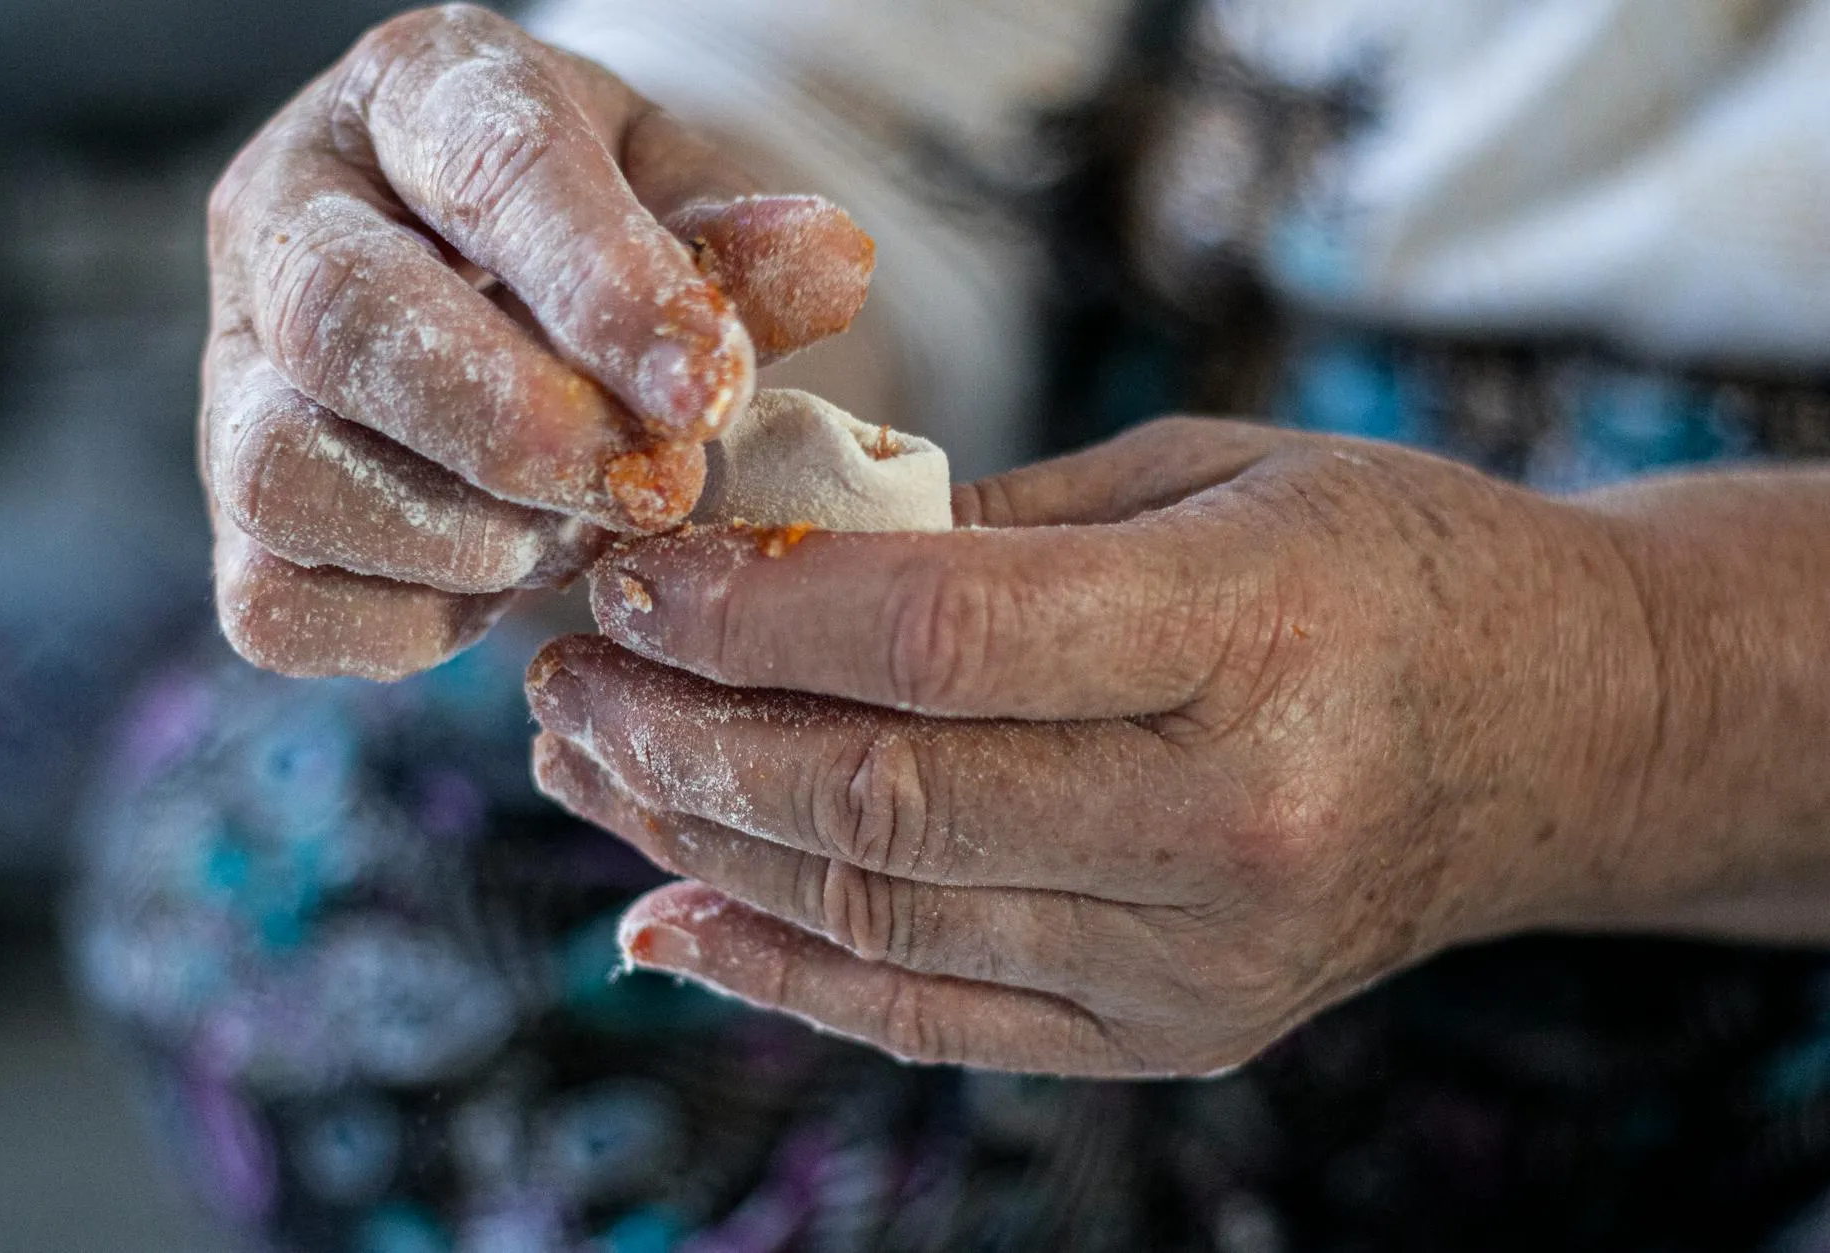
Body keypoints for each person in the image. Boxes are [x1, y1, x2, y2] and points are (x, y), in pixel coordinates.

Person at [170, 0, 1830, 1245]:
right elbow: (853, 81)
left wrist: (1633, 687)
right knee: (297, 844)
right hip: (1193, 413)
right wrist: (598, 278)